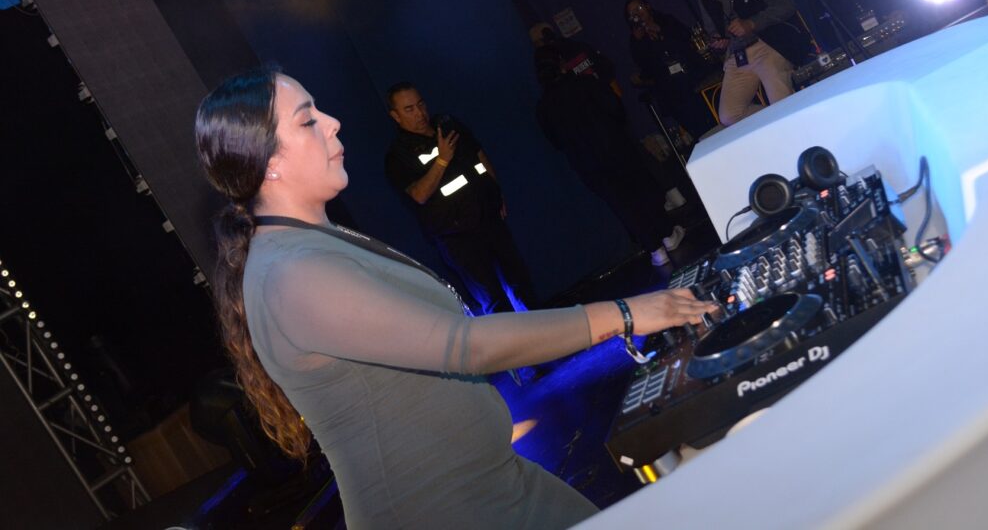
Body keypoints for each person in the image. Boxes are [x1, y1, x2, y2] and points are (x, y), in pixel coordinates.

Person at [194, 67, 716, 528]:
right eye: (308, 120)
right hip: (440, 512)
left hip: (493, 485)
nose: (332, 122)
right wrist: (624, 313)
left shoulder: (312, 243)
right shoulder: (290, 272)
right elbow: (462, 345)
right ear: (268, 162)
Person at [384, 82, 531, 316]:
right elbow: (419, 195)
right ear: (395, 116)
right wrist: (442, 159)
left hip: (489, 218)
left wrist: (496, 192)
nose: (419, 113)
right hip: (457, 236)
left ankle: (548, 332)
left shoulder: (448, 125)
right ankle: (515, 339)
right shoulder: (398, 156)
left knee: (521, 281)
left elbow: (480, 156)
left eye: (421, 104)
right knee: (493, 299)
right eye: (409, 109)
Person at [535, 45, 686, 267]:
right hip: (616, 148)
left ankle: (655, 250)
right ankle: (667, 234)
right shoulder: (585, 84)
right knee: (643, 192)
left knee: (623, 206)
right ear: (561, 63)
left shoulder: (543, 108)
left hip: (588, 164)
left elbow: (556, 142)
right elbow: (616, 109)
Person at [680, 0, 808, 126]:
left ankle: (790, 120)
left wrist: (752, 23)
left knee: (780, 100)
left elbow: (786, 4)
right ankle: (781, 119)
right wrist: (719, 41)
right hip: (738, 55)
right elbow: (713, 31)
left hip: (769, 44)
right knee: (729, 116)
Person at [625, 0, 716, 138]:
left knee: (714, 120)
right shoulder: (636, 40)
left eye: (639, 8)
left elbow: (686, 37)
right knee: (701, 132)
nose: (637, 14)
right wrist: (640, 41)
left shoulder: (666, 21)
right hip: (674, 94)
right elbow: (646, 69)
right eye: (632, 13)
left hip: (694, 81)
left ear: (648, 6)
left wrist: (661, 31)